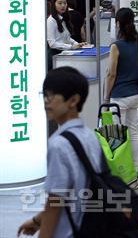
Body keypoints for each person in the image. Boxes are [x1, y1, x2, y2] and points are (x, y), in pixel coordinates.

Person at [17, 67, 104, 238]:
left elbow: (55, 203)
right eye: (44, 95)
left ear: (73, 100)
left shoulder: (59, 145)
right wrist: (36, 221)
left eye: (52, 95)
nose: (46, 101)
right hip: (92, 226)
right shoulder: (90, 137)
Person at [103, 8, 138, 178]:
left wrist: (105, 98)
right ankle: (134, 170)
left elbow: (111, 74)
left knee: (117, 136)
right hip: (134, 94)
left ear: (118, 24)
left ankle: (120, 172)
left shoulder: (116, 46)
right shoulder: (137, 42)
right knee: (133, 133)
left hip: (118, 97)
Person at [47, 0, 88, 68]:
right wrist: (71, 47)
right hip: (54, 56)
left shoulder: (64, 18)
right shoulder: (51, 21)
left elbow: (67, 38)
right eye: (59, 3)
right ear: (54, 5)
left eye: (65, 3)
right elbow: (52, 43)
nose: (63, 5)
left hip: (63, 54)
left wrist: (77, 44)